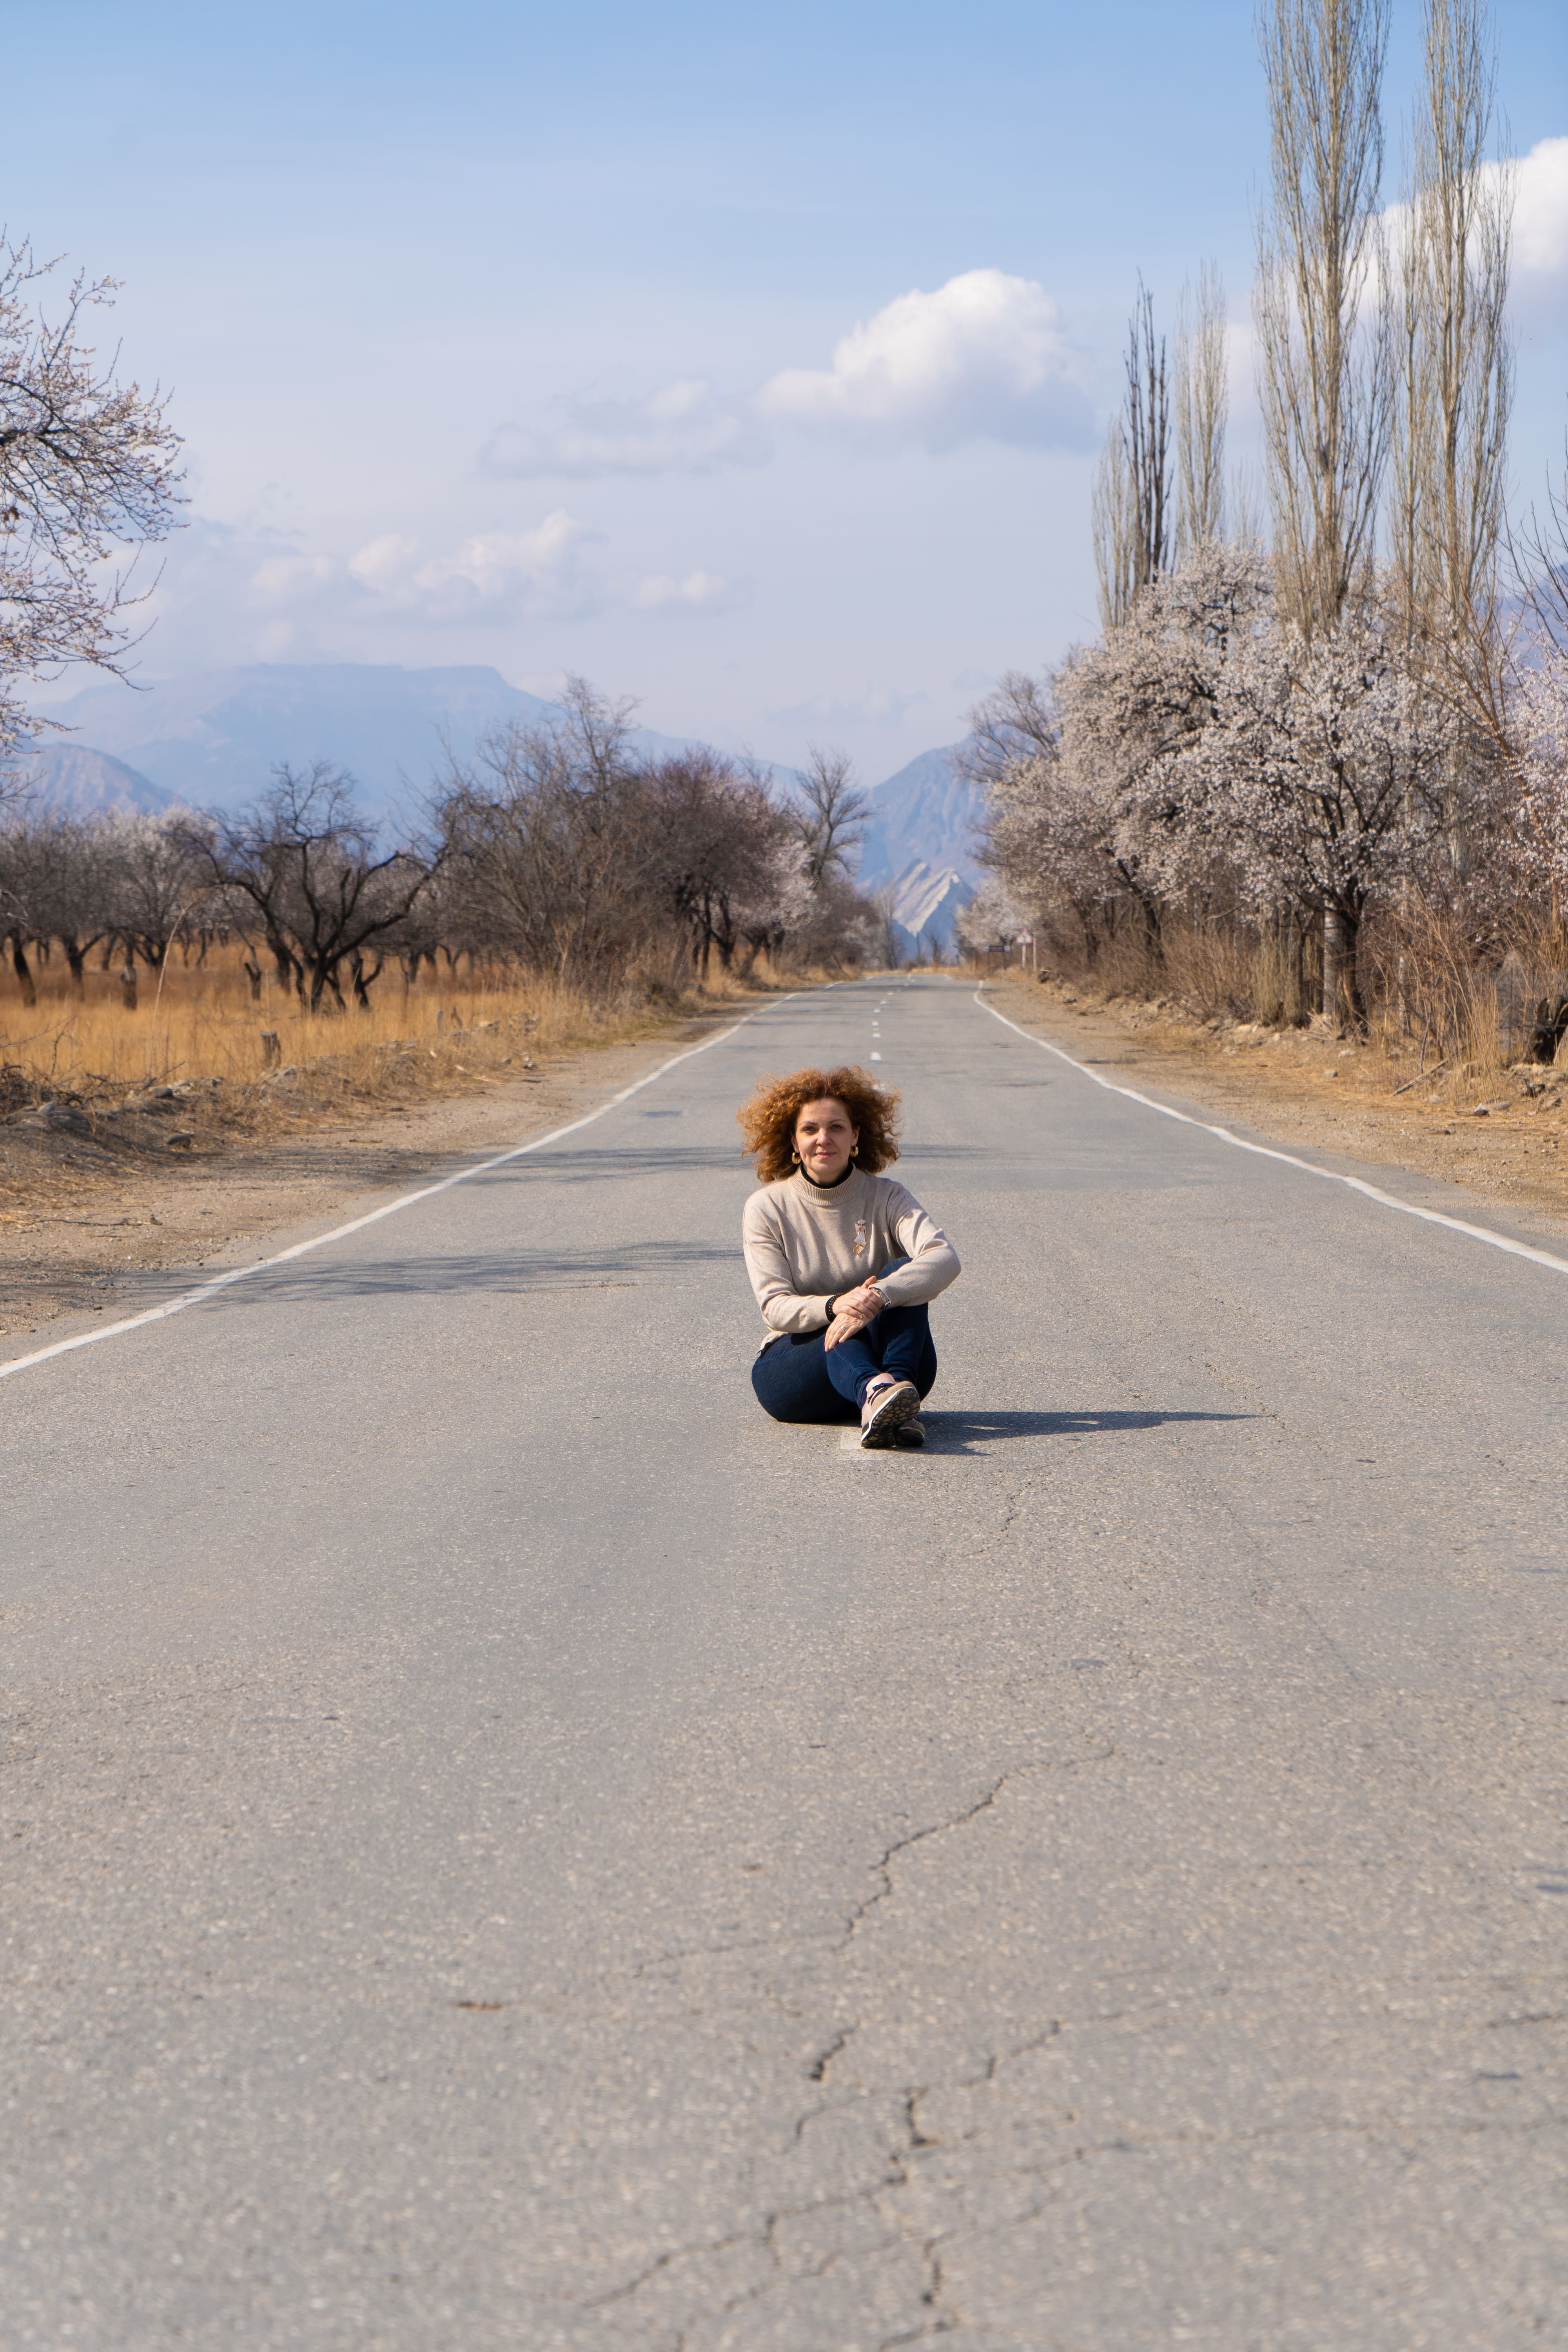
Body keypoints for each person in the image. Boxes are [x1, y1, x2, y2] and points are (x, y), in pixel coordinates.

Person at [738, 1063, 961, 1448]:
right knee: (843, 1321)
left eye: (836, 1127)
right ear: (792, 1140)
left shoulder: (888, 1197)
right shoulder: (766, 1207)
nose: (823, 1139)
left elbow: (944, 1258)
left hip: (895, 1362)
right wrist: (838, 1305)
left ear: (856, 1135)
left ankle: (893, 1394)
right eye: (810, 1129)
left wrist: (879, 1295)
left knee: (903, 1272)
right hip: (796, 1372)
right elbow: (775, 1308)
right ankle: (876, 1393)